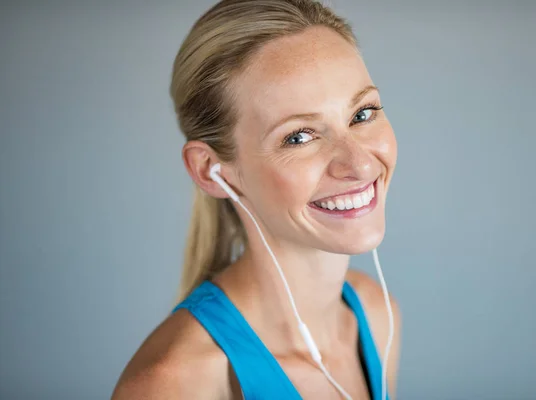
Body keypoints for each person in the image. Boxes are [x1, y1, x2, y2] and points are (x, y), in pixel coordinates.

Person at [112, 0, 402, 398]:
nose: (361, 165)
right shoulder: (176, 382)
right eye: (298, 136)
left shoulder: (376, 314)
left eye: (363, 113)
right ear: (210, 169)